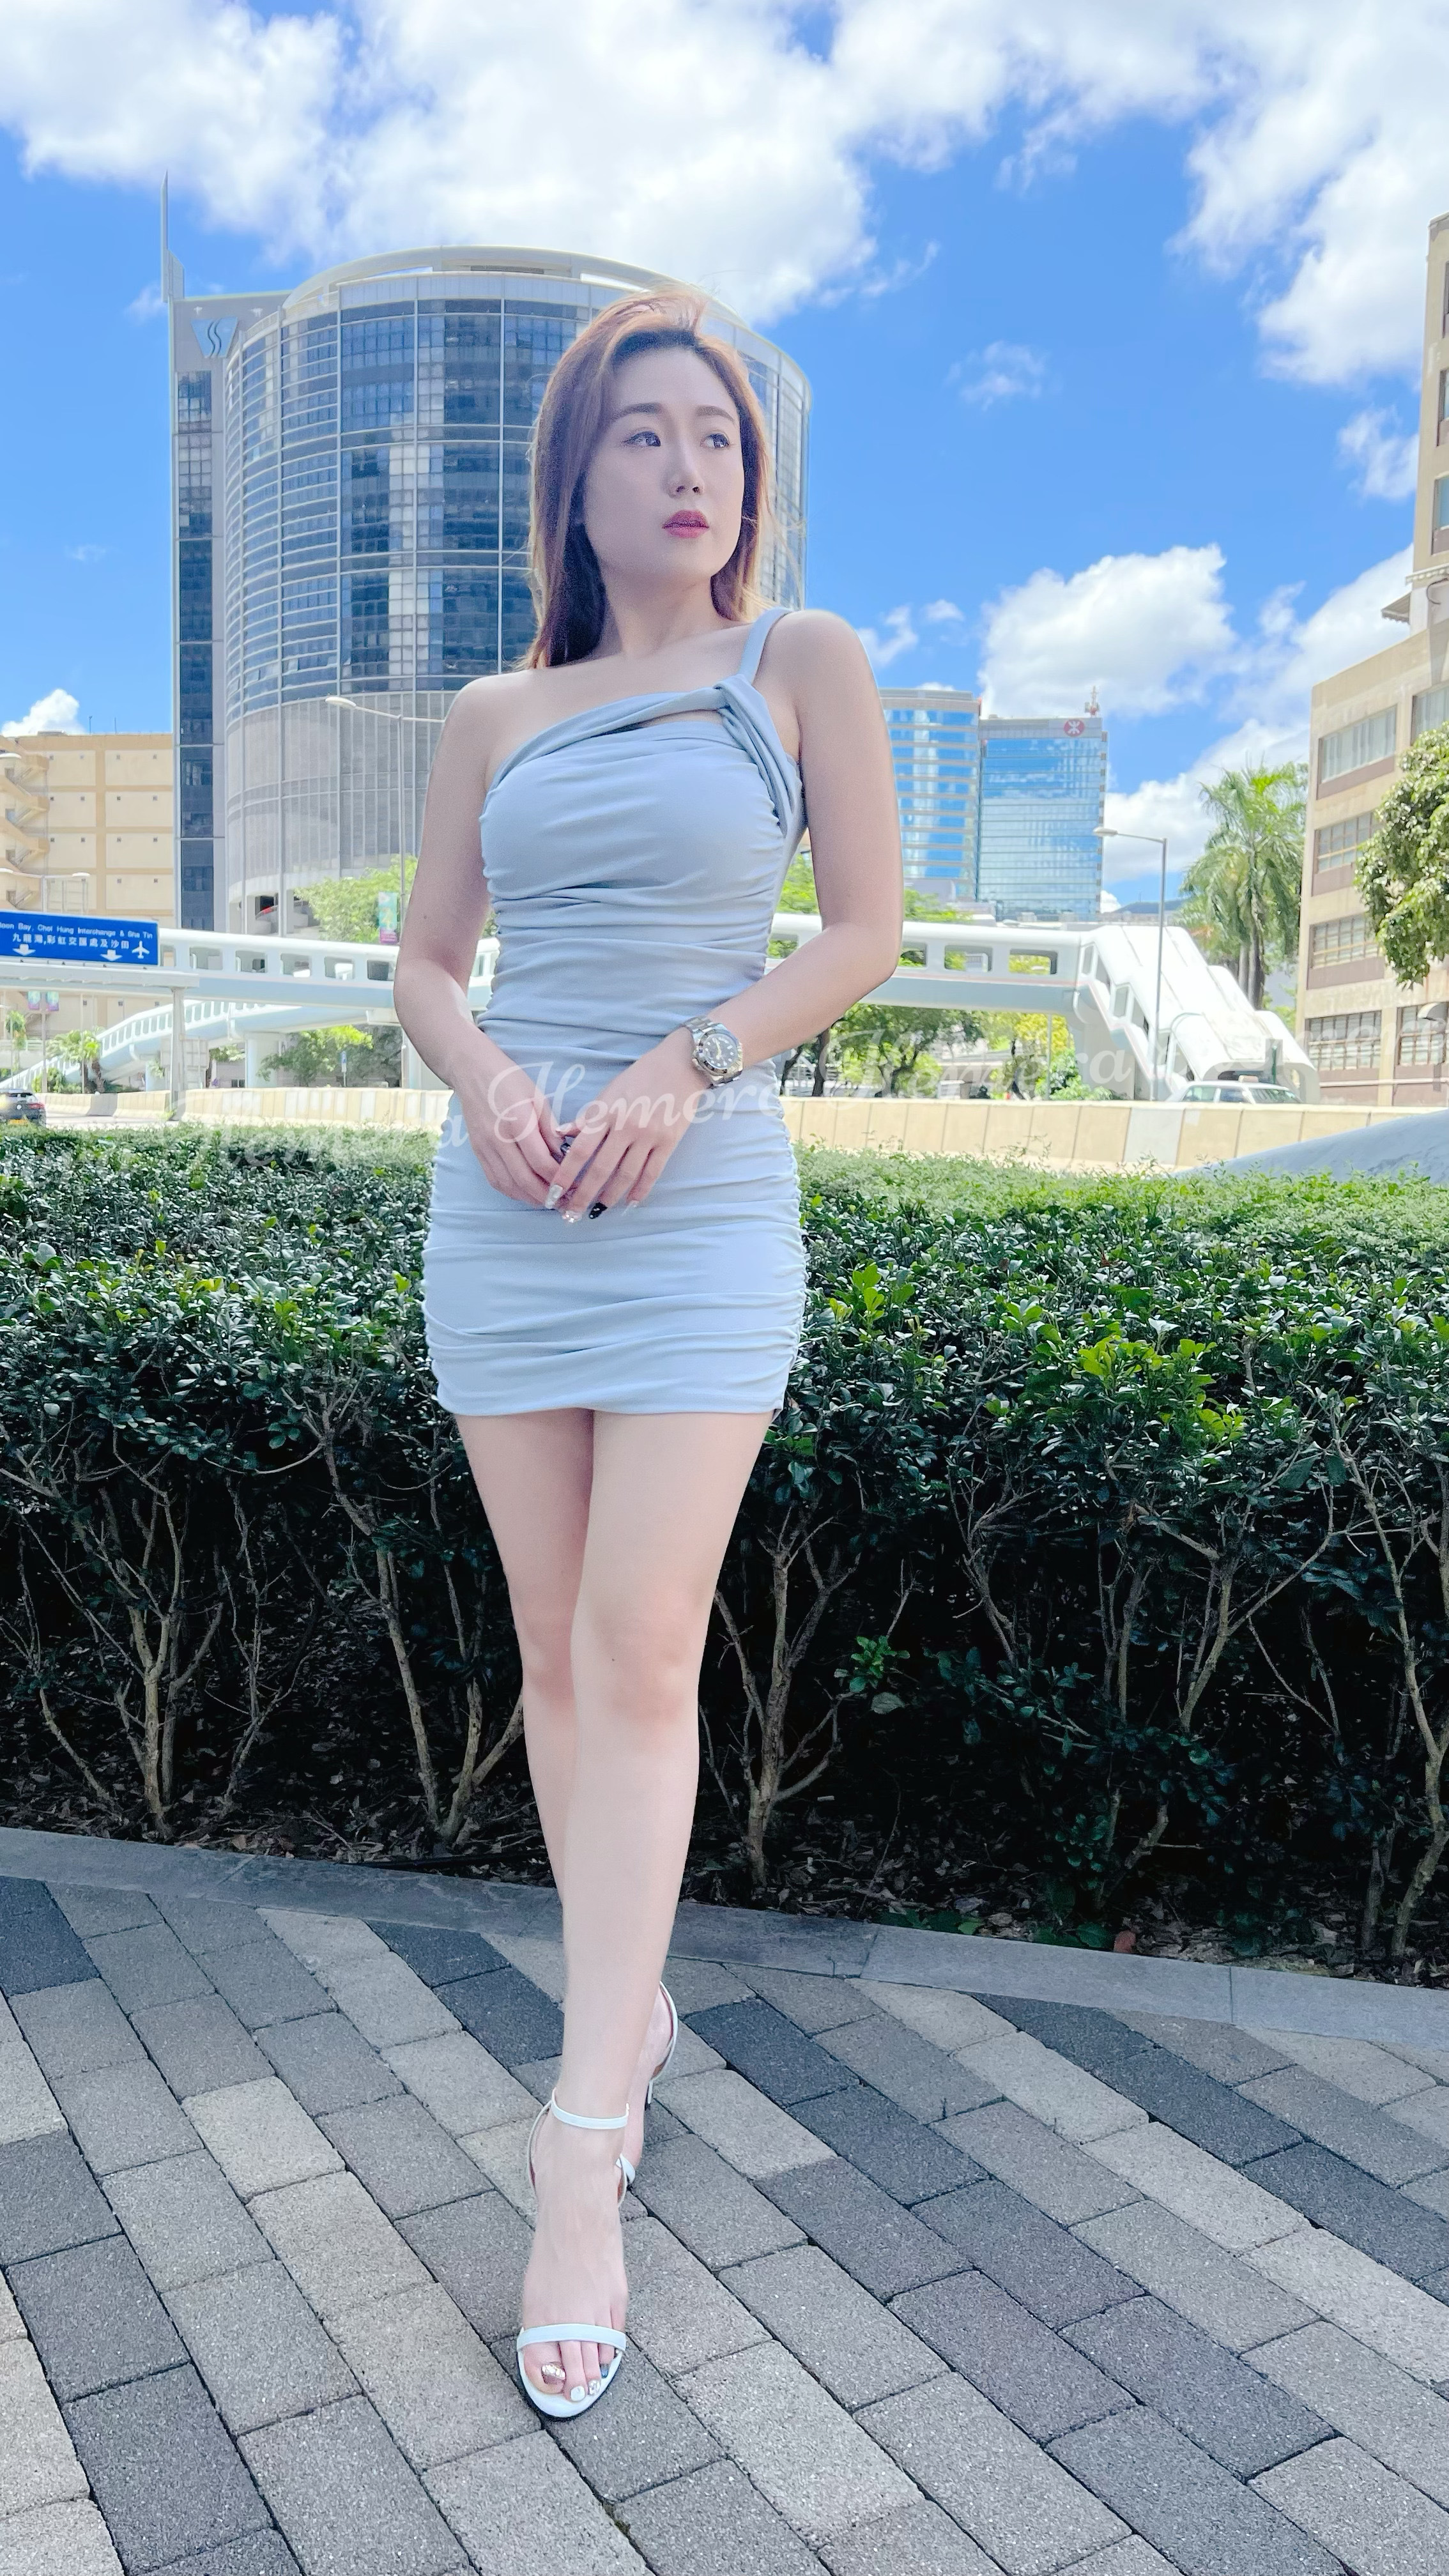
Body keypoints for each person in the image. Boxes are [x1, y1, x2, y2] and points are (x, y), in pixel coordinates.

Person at [394, 289, 901, 2421]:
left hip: (695, 1209)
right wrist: (492, 1076)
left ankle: (578, 2143)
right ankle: (631, 2013)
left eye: (719, 436)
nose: (690, 467)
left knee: (635, 1644)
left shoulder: (800, 665)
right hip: (507, 1207)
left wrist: (686, 1065)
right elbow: (427, 962)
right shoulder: (493, 711)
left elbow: (861, 931)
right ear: (576, 479)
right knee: (549, 1648)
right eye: (644, 434)